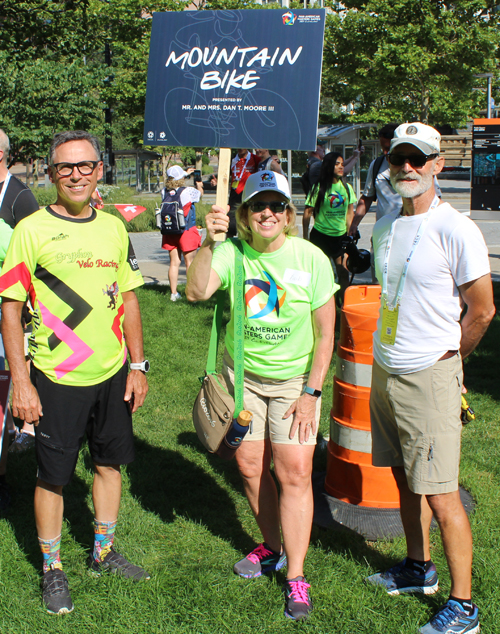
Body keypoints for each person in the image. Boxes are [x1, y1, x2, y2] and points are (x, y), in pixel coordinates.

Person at [0, 130, 150, 615]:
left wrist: (138, 365)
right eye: (66, 167)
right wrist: (20, 381)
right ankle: (52, 567)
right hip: (56, 377)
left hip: (110, 374)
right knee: (54, 476)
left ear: (99, 171)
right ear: (50, 173)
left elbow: (128, 298)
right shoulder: (32, 229)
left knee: (109, 465)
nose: (76, 175)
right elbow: (9, 309)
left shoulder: (112, 227)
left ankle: (103, 552)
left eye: (85, 166)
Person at [186, 170, 337, 621]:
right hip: (242, 380)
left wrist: (312, 392)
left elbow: (327, 334)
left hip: (295, 383)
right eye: (257, 206)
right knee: (251, 468)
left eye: (276, 206)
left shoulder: (311, 258)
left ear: (289, 215)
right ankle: (271, 546)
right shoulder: (232, 253)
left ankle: (296, 575)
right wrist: (209, 242)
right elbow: (196, 292)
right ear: (244, 216)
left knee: (293, 473)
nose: (266, 213)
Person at [365, 122, 495, 634]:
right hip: (387, 369)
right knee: (402, 476)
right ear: (389, 162)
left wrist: (451, 363)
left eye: (419, 159)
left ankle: (464, 609)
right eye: (400, 159)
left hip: (431, 374)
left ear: (438, 164)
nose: (408, 168)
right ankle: (418, 569)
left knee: (442, 495)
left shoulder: (456, 228)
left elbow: (482, 311)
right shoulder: (387, 226)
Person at [0, 130, 40, 491]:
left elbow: (36, 253)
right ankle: (11, 427)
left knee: (15, 364)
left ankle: (26, 425)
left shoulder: (19, 196)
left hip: (13, 302)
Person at [302, 152, 356, 303]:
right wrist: (306, 238)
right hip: (320, 237)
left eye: (342, 164)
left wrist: (349, 234)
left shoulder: (346, 187)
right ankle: (325, 305)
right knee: (324, 276)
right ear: (328, 166)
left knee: (343, 273)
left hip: (340, 238)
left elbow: (350, 212)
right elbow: (307, 213)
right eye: (337, 164)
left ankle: (344, 307)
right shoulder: (318, 188)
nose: (341, 167)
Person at [160, 165, 202, 301]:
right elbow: (199, 195)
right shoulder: (188, 191)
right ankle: (191, 293)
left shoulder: (164, 191)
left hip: (170, 231)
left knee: (174, 263)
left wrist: (186, 174)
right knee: (190, 262)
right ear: (181, 178)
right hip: (186, 231)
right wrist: (199, 184)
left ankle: (173, 294)